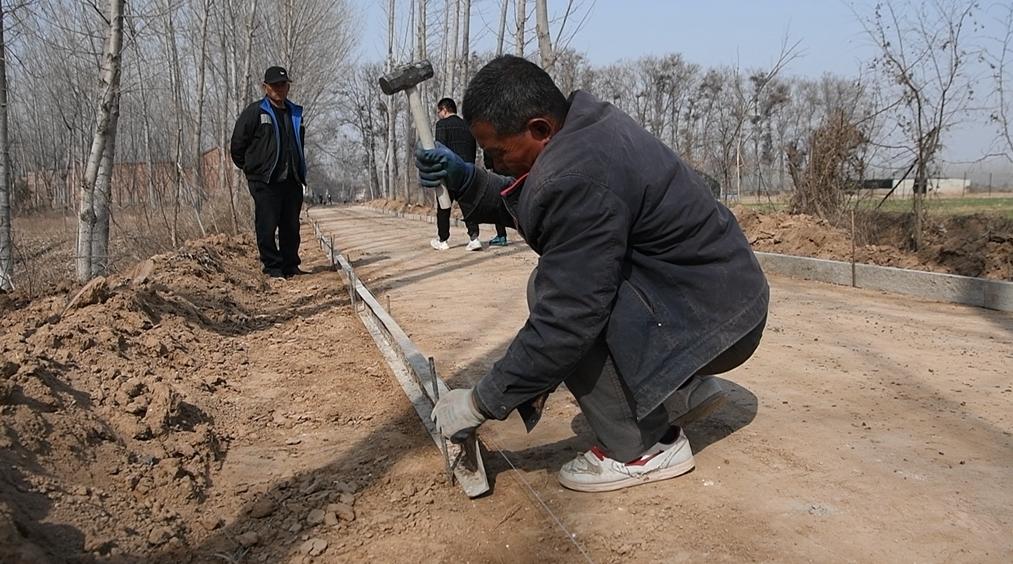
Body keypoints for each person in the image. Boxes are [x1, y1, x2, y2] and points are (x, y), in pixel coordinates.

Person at [418, 56, 769, 493]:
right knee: (577, 285)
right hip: (718, 297)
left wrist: (480, 402)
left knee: (558, 296)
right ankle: (678, 388)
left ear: (540, 128)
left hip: (716, 320)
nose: (495, 162)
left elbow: (567, 320)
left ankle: (643, 448)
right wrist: (470, 181)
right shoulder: (584, 127)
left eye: (497, 152)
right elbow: (540, 203)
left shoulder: (575, 175)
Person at [230, 66, 307, 278]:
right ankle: (273, 268)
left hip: (291, 178)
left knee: (291, 225)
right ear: (265, 87)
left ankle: (291, 266)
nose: (280, 89)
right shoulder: (255, 112)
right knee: (267, 224)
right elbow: (237, 145)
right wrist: (252, 169)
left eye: (283, 84)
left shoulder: (295, 113)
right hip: (265, 181)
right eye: (275, 85)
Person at [432, 98, 484, 251]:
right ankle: (474, 237)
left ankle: (443, 239)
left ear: (444, 110)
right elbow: (473, 148)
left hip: (449, 170)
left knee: (444, 205)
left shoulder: (442, 125)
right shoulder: (467, 126)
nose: (439, 115)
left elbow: (439, 148)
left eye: (439, 112)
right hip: (467, 170)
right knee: (468, 205)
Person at [481, 152, 510, 247]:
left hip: (498, 168)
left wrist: (488, 164)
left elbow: (488, 150)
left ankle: (501, 235)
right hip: (512, 165)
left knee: (497, 202)